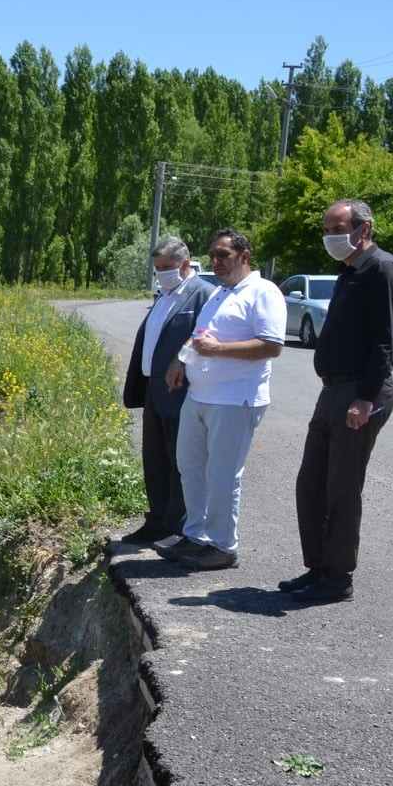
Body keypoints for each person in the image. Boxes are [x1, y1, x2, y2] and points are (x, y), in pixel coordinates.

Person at [280, 199, 393, 603]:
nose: (330, 237)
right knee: (311, 483)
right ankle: (318, 568)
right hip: (333, 391)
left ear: (363, 229)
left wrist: (365, 398)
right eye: (327, 230)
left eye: (338, 229)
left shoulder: (382, 269)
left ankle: (337, 579)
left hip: (359, 393)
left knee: (342, 488)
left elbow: (385, 341)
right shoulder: (350, 270)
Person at [155, 229, 285, 571]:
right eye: (213, 255)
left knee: (222, 475)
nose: (216, 262)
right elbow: (200, 335)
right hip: (199, 395)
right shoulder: (220, 293)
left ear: (245, 256)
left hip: (235, 399)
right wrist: (180, 359)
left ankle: (223, 546)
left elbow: (272, 345)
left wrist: (219, 350)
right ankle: (196, 536)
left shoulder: (263, 291)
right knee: (190, 467)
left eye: (224, 255)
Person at [119, 237, 218, 545]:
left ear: (184, 264)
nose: (161, 273)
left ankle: (179, 527)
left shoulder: (202, 294)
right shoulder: (164, 296)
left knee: (181, 463)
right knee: (155, 459)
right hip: (154, 389)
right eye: (157, 268)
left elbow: (206, 337)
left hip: (181, 391)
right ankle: (157, 520)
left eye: (166, 267)